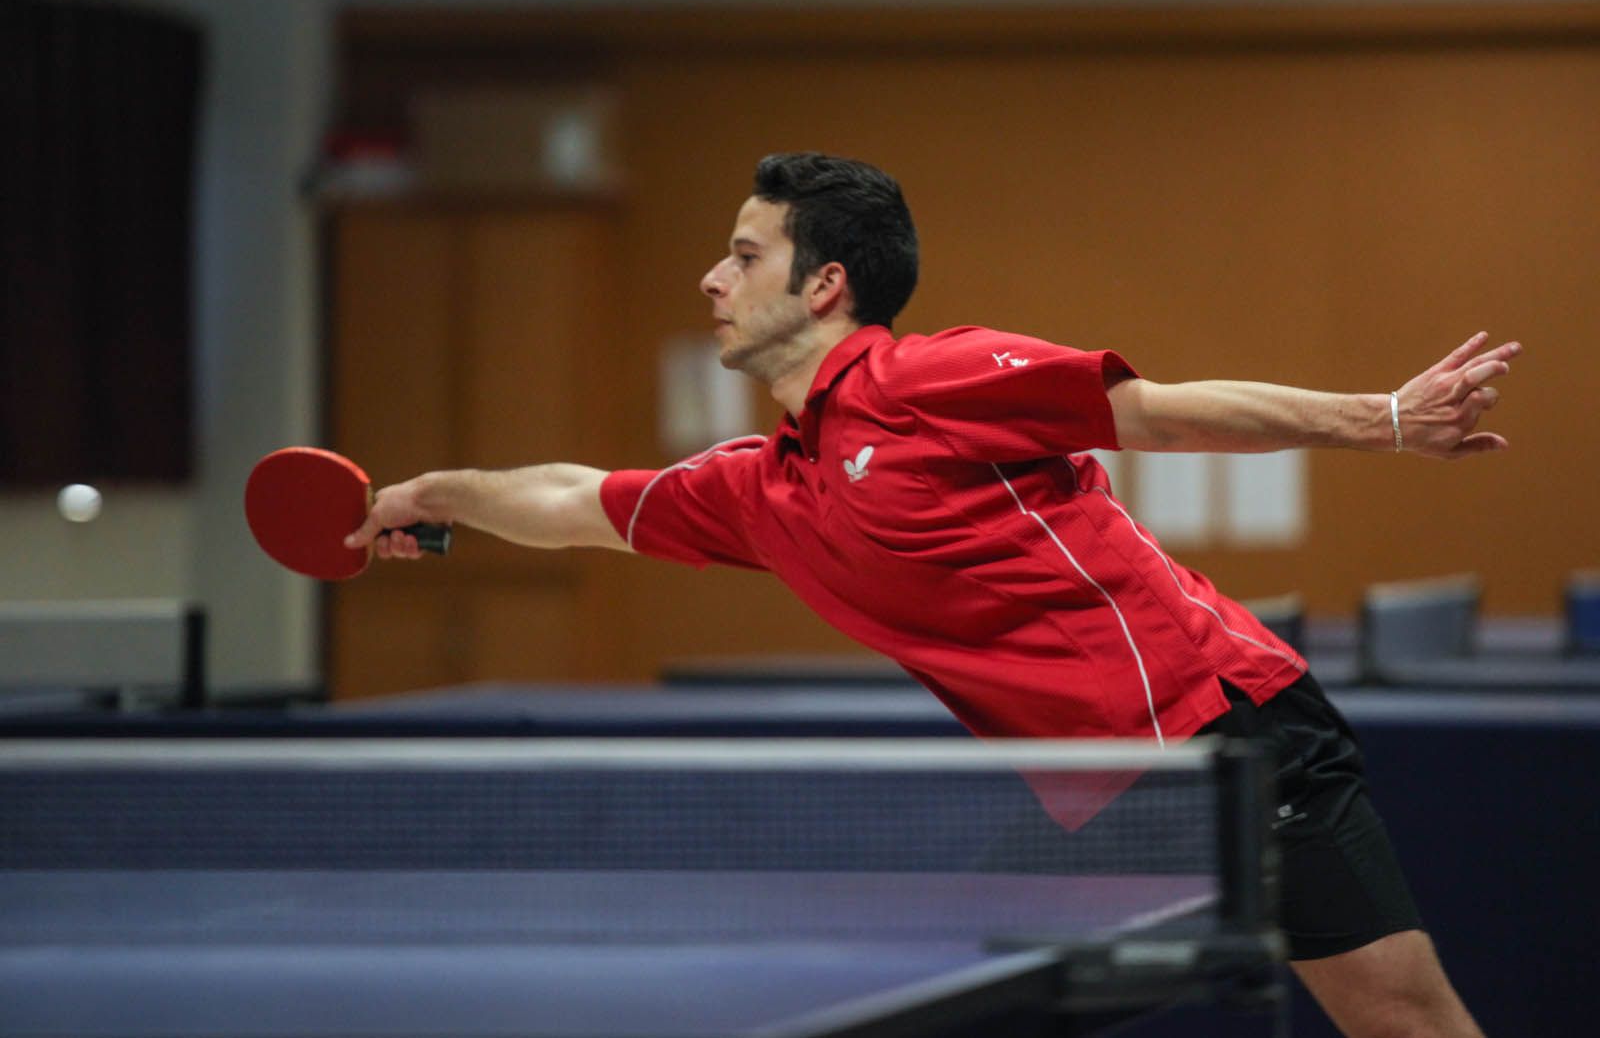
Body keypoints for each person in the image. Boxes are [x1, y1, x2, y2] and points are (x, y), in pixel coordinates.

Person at [349, 152, 1518, 1038]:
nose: (711, 276)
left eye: (745, 253)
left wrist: (1384, 419)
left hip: (1223, 733)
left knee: (1398, 1017)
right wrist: (431, 493)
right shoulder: (765, 484)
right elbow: (571, 502)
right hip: (1100, 793)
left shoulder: (924, 378)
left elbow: (1156, 408)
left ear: (826, 286)